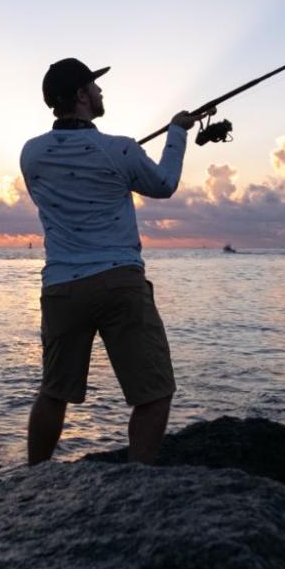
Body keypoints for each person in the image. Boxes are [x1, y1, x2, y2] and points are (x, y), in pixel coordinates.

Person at [19, 58, 196, 465]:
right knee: (154, 392)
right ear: (81, 96)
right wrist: (176, 132)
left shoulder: (31, 154)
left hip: (62, 288)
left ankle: (33, 479)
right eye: (95, 87)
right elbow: (164, 184)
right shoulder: (120, 149)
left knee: (53, 391)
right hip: (120, 282)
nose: (101, 92)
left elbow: (81, 169)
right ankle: (137, 482)